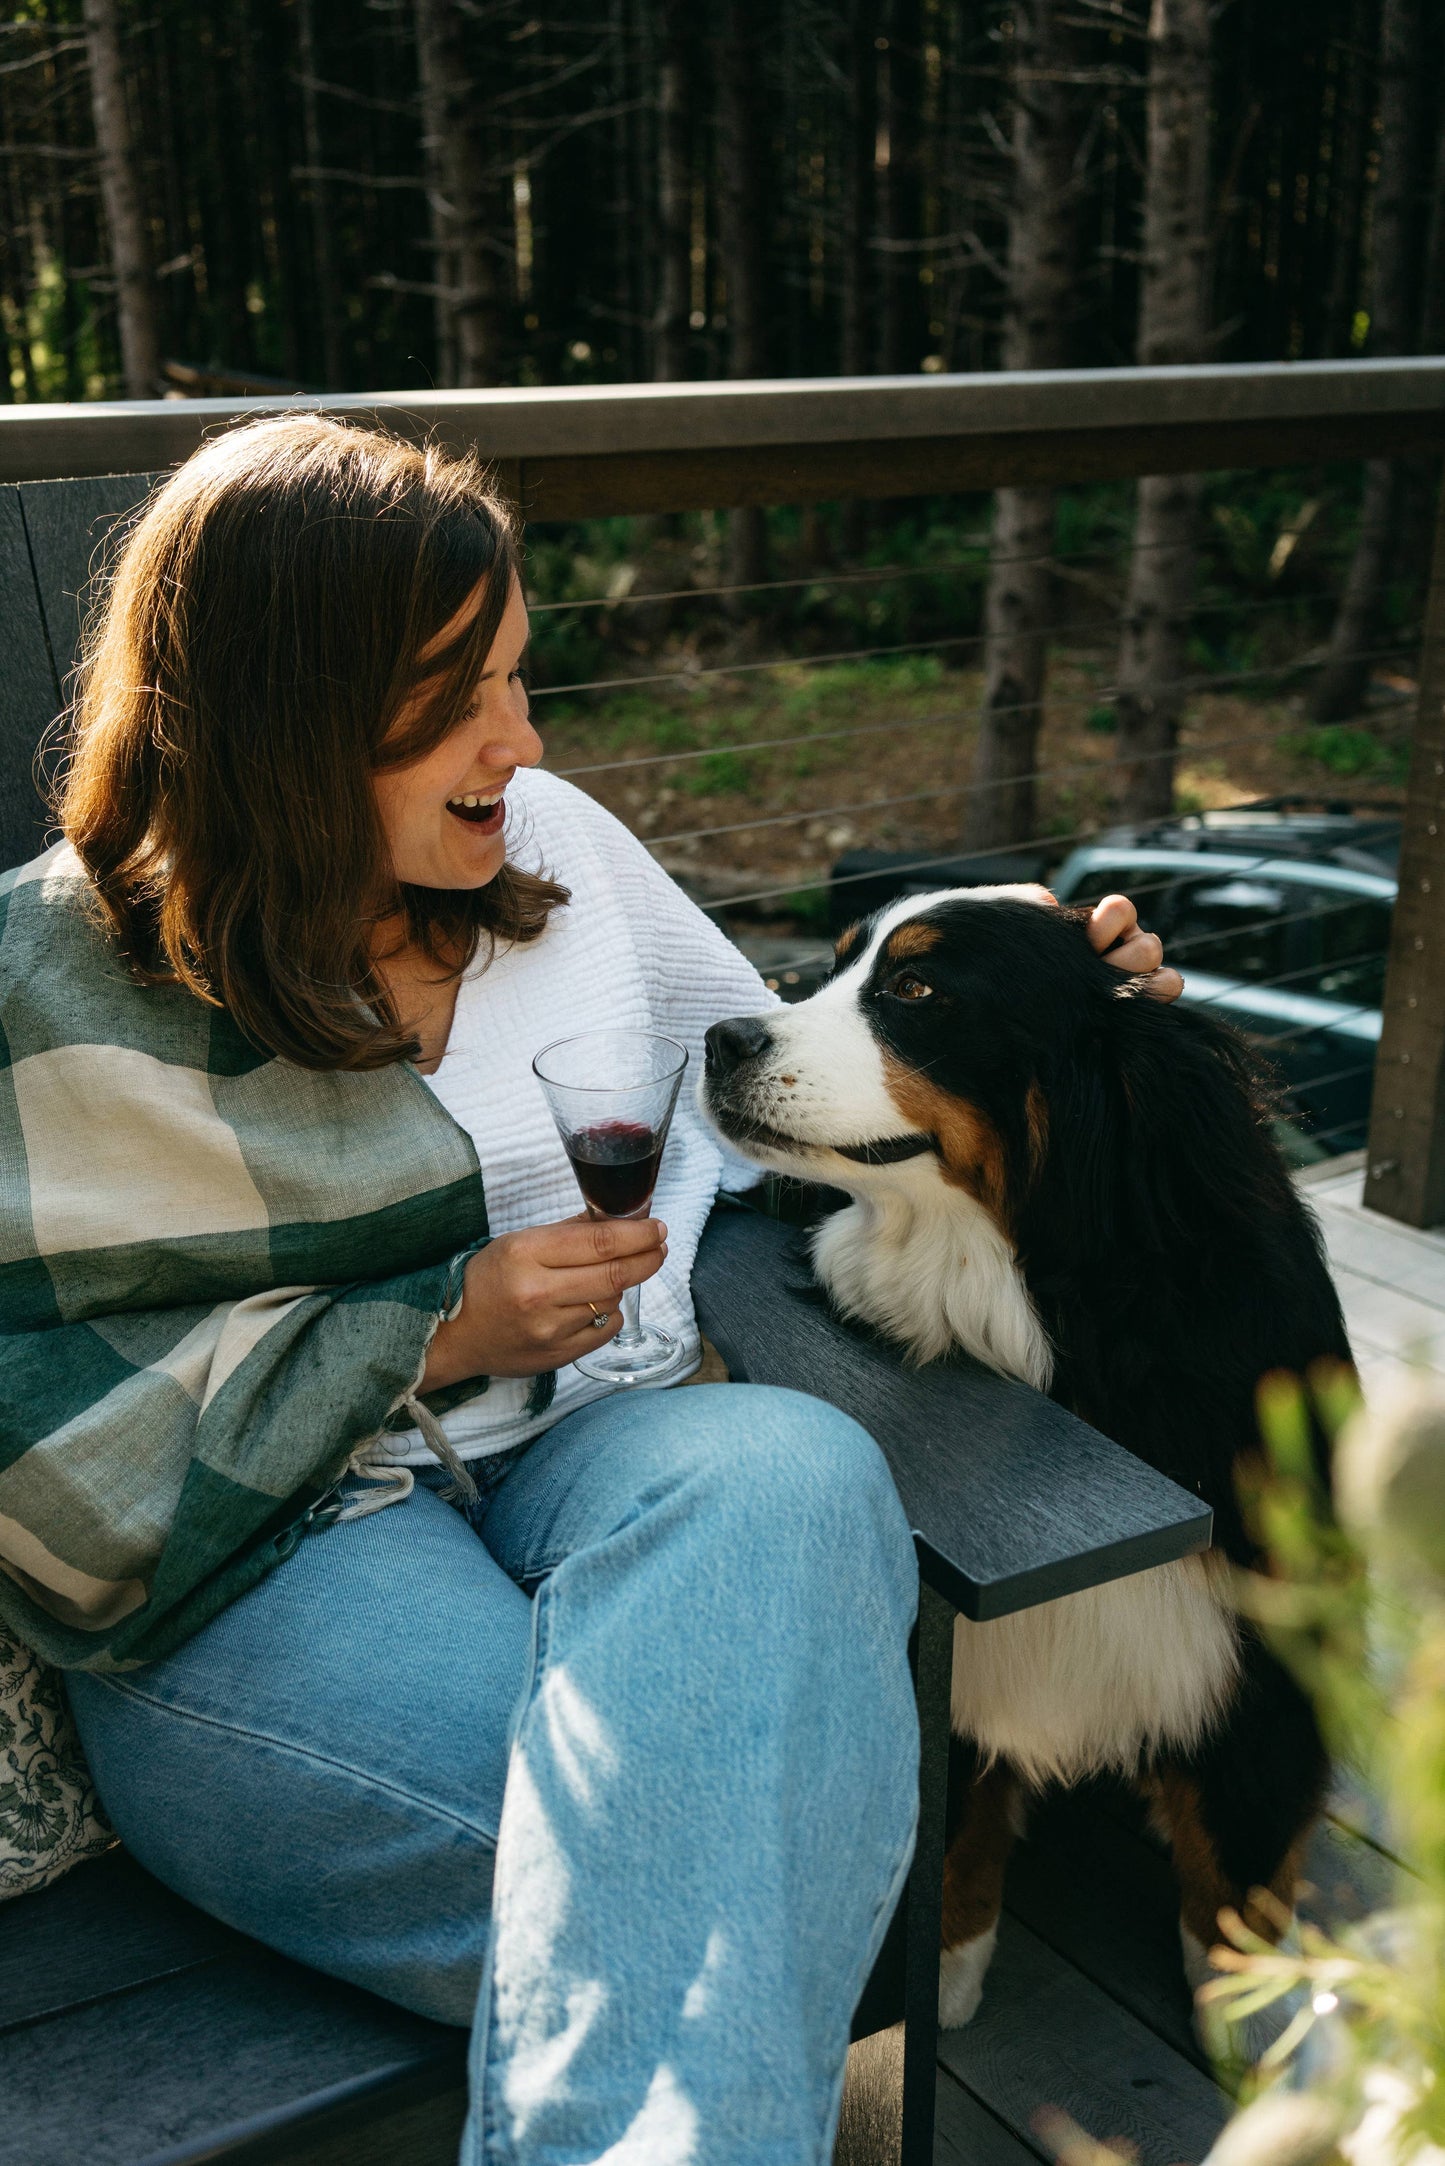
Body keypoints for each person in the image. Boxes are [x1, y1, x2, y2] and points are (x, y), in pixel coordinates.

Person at [0, 415, 1180, 2164]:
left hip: (601, 1445)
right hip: (271, 1549)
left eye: (519, 677)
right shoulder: (61, 981)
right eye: (458, 694)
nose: (522, 739)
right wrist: (437, 1327)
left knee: (794, 1469)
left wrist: (1027, 977)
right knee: (738, 1848)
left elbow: (777, 1070)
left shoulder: (549, 850)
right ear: (289, 710)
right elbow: (52, 1434)